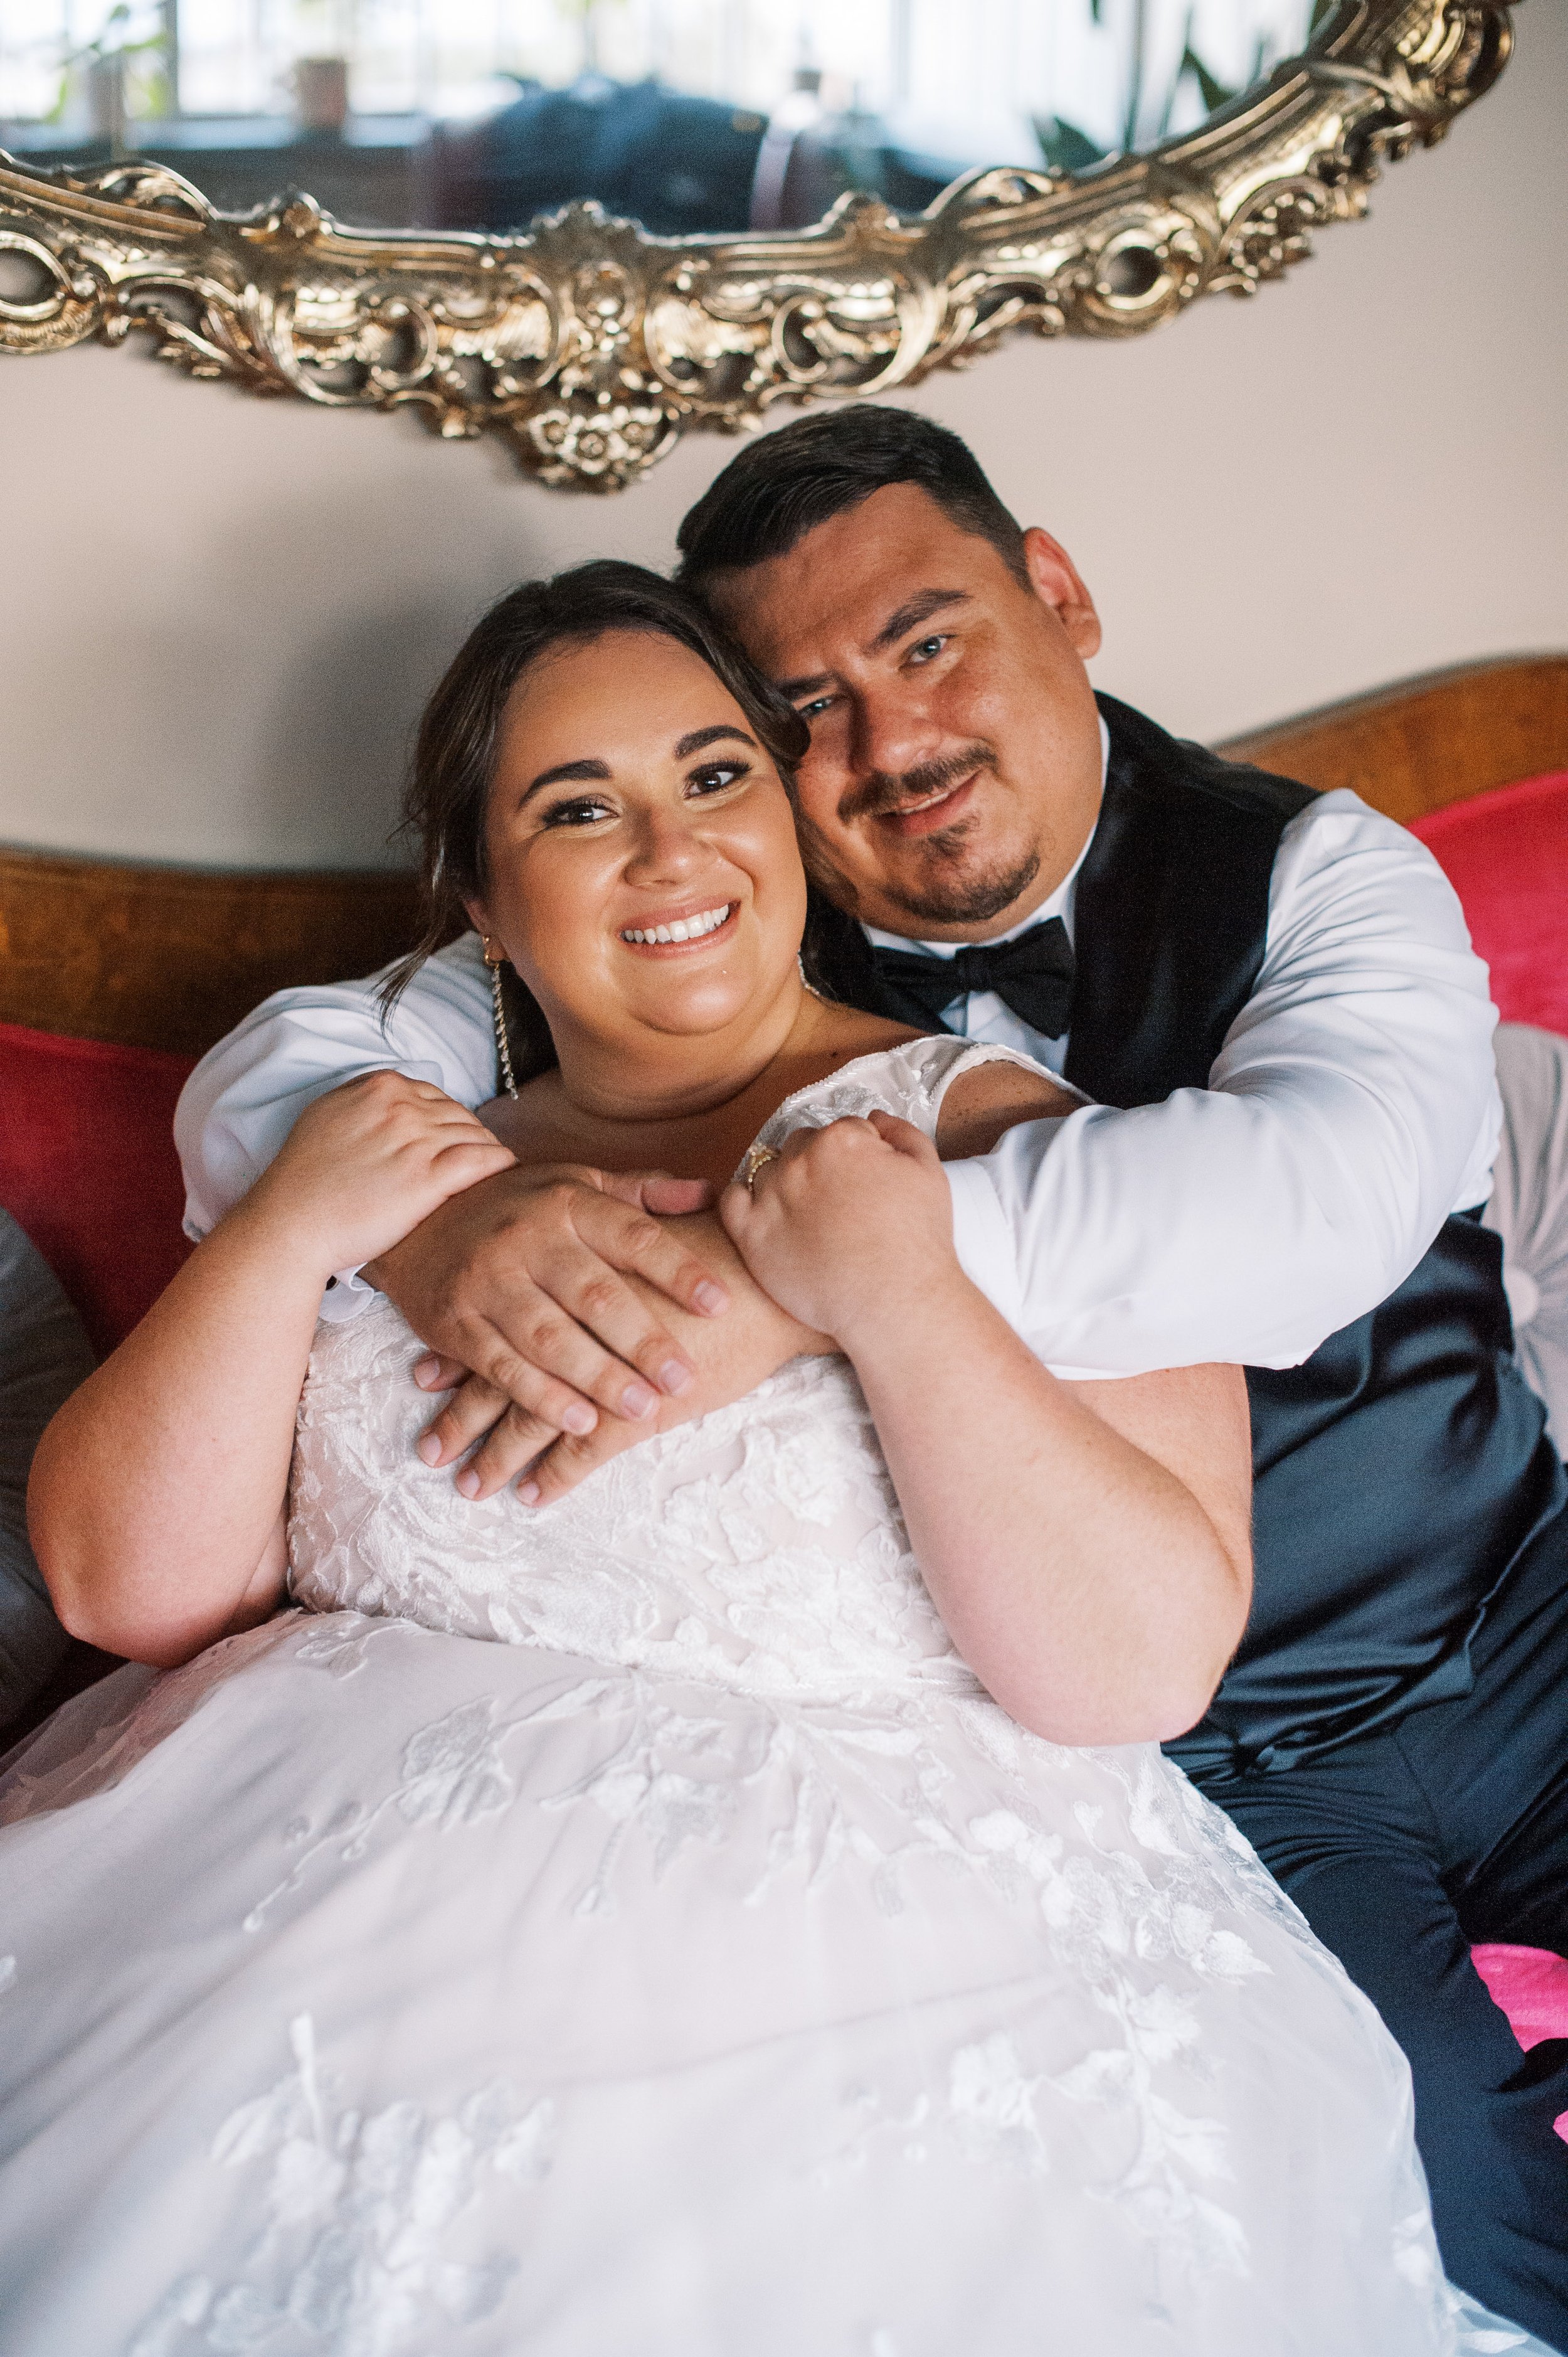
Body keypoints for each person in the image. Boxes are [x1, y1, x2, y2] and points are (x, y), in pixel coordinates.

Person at [6, 563, 1528, 2356]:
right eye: (581, 809)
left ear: (790, 822)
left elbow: (1131, 1669)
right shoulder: (384, 1155)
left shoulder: (1013, 1154)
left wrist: (901, 1299)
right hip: (302, 1916)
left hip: (875, 1959)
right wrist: (285, 1235)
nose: (669, 851)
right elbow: (133, 1588)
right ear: (482, 903)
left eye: (716, 774)